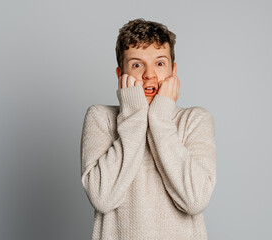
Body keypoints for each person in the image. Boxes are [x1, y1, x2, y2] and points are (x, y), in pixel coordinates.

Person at [80, 18, 217, 240]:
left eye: (160, 63)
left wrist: (160, 119)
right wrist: (134, 116)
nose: (149, 75)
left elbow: (195, 200)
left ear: (173, 70)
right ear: (119, 74)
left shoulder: (195, 120)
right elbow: (102, 198)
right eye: (137, 64)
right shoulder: (101, 117)